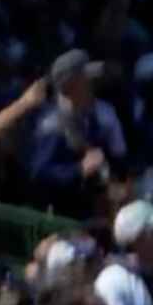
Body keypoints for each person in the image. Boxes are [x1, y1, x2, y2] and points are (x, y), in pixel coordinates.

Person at [24, 50, 125, 220]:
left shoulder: (88, 114)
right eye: (86, 80)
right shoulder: (53, 125)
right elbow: (39, 173)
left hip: (90, 209)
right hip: (61, 216)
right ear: (70, 86)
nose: (93, 85)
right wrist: (79, 170)